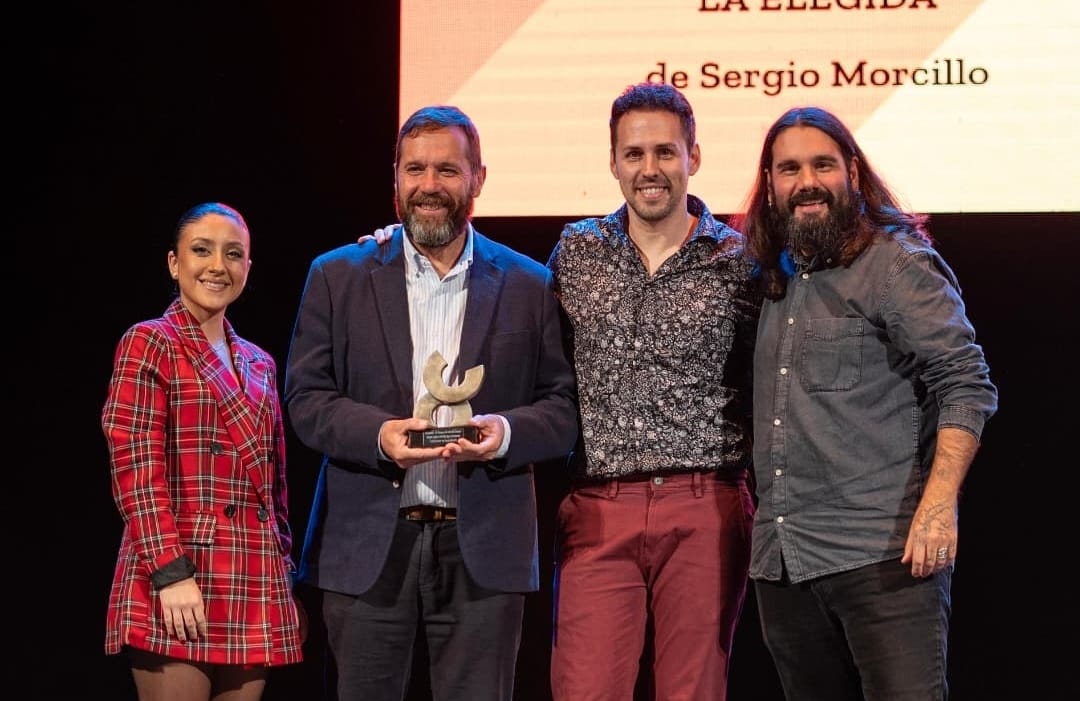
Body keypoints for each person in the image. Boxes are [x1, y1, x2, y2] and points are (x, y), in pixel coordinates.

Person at [284, 105, 578, 701]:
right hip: (367, 542)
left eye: (447, 169)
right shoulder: (336, 275)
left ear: (478, 179)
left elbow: (563, 409)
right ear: (395, 177)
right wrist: (377, 435)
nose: (428, 186)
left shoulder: (529, 283)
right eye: (414, 169)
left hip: (484, 548)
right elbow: (306, 398)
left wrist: (506, 431)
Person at [729, 106, 999, 700]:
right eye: (789, 168)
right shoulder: (771, 276)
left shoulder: (896, 264)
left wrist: (939, 507)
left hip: (884, 560)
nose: (806, 181)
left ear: (852, 171)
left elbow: (965, 383)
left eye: (823, 164)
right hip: (786, 561)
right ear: (770, 185)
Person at [545, 82, 760, 701]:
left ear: (694, 156)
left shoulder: (739, 258)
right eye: (634, 154)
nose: (650, 169)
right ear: (613, 162)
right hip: (598, 505)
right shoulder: (576, 250)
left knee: (694, 690)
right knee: (584, 689)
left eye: (666, 152)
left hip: (706, 503)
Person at [102, 201, 305, 701]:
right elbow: (135, 467)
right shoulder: (150, 342)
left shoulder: (258, 362)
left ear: (247, 269)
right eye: (202, 250)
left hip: (252, 572)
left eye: (233, 254)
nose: (218, 265)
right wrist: (170, 573)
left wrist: (285, 578)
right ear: (175, 263)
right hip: (177, 569)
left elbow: (274, 488)